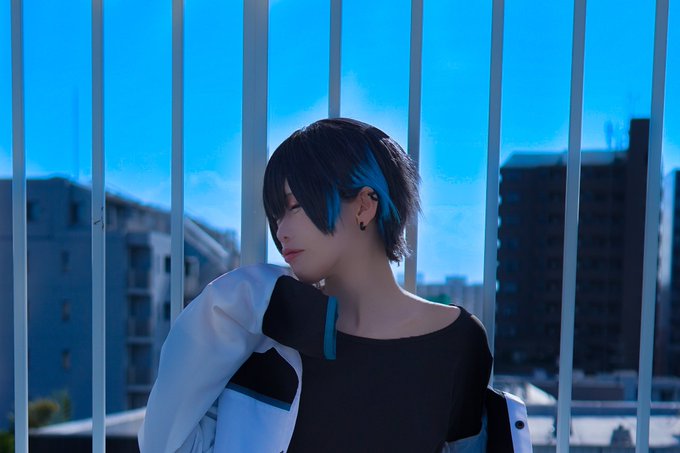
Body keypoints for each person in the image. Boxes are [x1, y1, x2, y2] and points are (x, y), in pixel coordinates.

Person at [139, 118, 530, 453]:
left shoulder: (460, 341)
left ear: (364, 205)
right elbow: (164, 444)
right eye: (276, 214)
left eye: (295, 205)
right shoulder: (267, 337)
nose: (281, 230)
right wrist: (239, 296)